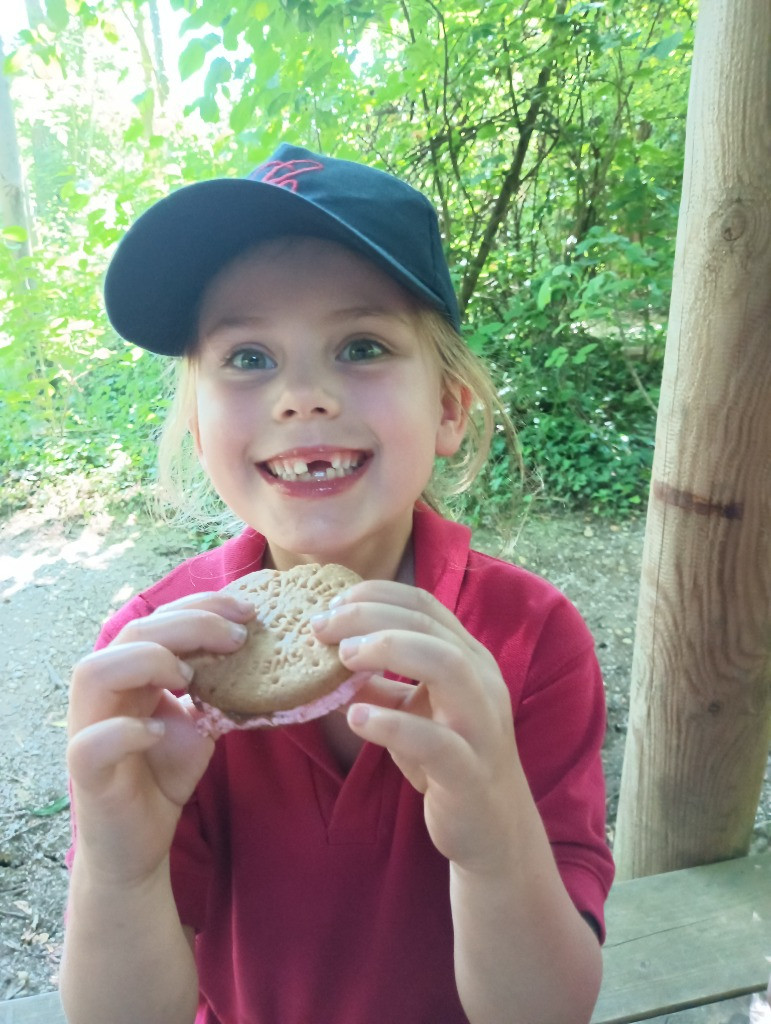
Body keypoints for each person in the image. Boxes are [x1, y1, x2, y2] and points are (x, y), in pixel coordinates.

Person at [60, 142, 614, 1024]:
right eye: (246, 358)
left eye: (361, 345)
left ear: (446, 408)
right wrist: (119, 866)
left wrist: (494, 840)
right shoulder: (158, 664)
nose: (303, 395)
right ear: (200, 434)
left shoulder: (527, 639)